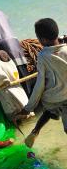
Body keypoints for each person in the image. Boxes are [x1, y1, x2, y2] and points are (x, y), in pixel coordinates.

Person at [17, 18, 67, 147]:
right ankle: (35, 131)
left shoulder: (43, 56)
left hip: (55, 99)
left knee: (50, 110)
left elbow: (39, 85)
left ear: (42, 39)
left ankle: (35, 131)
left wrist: (29, 107)